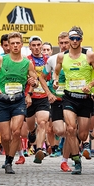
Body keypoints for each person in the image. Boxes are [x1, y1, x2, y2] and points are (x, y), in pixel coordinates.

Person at [53, 26, 94, 175]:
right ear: (68, 39)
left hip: (85, 99)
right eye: (72, 38)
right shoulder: (62, 56)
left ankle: (78, 147)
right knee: (69, 128)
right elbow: (56, 72)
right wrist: (55, 81)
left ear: (81, 39)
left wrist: (90, 85)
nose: (74, 41)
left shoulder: (89, 55)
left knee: (82, 134)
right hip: (69, 97)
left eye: (77, 38)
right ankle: (76, 161)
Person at [0, 32, 38, 174]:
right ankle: (7, 155)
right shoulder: (2, 60)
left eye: (18, 43)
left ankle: (9, 161)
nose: (15, 46)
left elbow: (35, 80)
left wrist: (31, 89)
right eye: (12, 43)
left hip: (18, 101)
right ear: (8, 45)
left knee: (16, 132)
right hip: (3, 101)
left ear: (21, 44)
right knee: (6, 136)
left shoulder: (27, 63)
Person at [40, 31, 72, 172]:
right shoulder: (52, 59)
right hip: (57, 100)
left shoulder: (79, 58)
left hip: (73, 99)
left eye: (66, 42)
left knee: (71, 130)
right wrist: (48, 93)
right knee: (60, 131)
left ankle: (65, 161)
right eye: (62, 43)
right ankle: (73, 137)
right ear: (58, 44)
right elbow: (42, 77)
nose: (64, 45)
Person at [25, 35, 51, 164]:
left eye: (38, 45)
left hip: (43, 96)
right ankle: (32, 131)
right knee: (30, 126)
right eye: (33, 45)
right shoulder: (26, 60)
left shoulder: (48, 60)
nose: (36, 48)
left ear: (42, 46)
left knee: (42, 122)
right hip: (29, 97)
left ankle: (39, 150)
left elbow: (51, 77)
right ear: (30, 47)